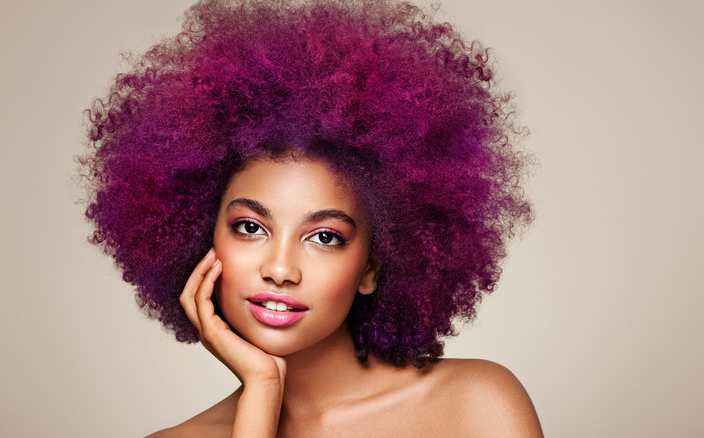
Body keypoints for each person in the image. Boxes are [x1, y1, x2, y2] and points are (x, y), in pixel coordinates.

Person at [80, 0, 543, 436]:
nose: (280, 270)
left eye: (324, 236)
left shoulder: (473, 406)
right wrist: (262, 392)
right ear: (203, 237)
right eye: (249, 228)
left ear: (371, 267)